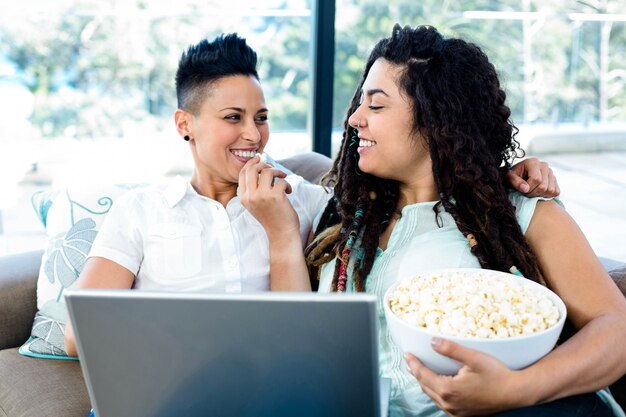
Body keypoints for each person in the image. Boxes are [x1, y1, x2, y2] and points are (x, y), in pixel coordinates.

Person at [64, 32, 558, 359]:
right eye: (232, 119)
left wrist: (505, 171)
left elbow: (416, 175)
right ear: (185, 125)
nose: (253, 136)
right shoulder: (141, 211)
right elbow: (76, 334)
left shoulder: (307, 202)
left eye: (261, 118)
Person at [247, 25, 626, 416]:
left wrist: (515, 390)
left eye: (375, 106)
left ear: (435, 119)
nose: (355, 118)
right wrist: (282, 233)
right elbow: (298, 351)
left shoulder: (517, 211)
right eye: (359, 103)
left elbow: (617, 329)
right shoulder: (344, 220)